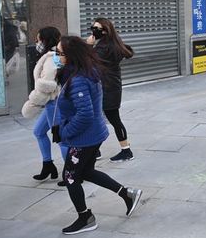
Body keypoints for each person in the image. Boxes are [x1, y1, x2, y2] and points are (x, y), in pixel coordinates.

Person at [53, 36, 142, 234]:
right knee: (85, 172)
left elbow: (85, 114)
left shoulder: (78, 80)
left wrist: (65, 132)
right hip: (93, 134)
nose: (56, 56)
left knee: (70, 177)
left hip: (84, 138)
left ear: (71, 55)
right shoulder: (84, 72)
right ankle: (127, 194)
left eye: (59, 53)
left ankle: (85, 218)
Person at [22, 26, 68, 184]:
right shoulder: (55, 54)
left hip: (53, 103)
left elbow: (48, 85)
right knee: (39, 131)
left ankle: (72, 174)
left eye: (39, 38)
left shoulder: (51, 57)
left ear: (46, 40)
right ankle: (48, 165)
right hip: (53, 103)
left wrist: (32, 103)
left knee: (60, 138)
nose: (37, 41)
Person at [87, 18, 134, 162]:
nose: (93, 31)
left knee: (111, 119)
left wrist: (89, 46)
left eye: (97, 28)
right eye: (92, 27)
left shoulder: (103, 47)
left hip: (107, 88)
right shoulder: (112, 44)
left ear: (105, 31)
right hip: (111, 86)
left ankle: (126, 151)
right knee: (104, 118)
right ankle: (96, 151)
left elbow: (89, 62)